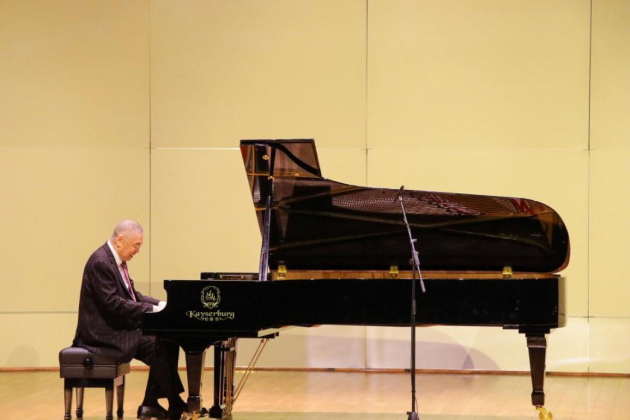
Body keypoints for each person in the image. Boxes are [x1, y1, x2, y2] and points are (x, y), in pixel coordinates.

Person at [72, 220, 187, 420]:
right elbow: (113, 304)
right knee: (160, 345)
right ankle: (170, 403)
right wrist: (152, 310)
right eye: (136, 245)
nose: (137, 251)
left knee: (167, 340)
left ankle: (153, 404)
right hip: (101, 334)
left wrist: (162, 304)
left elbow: (133, 295)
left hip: (114, 328)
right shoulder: (100, 263)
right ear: (120, 240)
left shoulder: (116, 262)